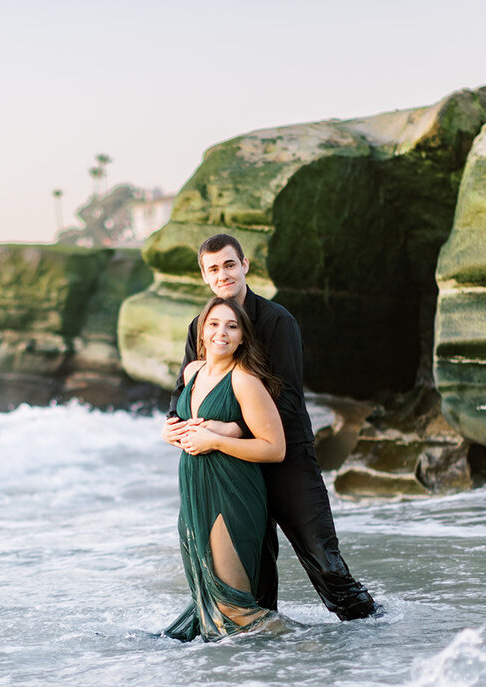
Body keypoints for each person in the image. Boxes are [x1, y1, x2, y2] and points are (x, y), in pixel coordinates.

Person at [162, 233, 379, 621]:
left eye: (229, 264)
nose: (223, 274)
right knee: (255, 578)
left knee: (324, 562)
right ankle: (267, 666)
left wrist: (231, 430)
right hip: (233, 469)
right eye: (213, 269)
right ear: (204, 276)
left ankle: (372, 637)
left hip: (286, 459)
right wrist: (172, 427)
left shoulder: (279, 321)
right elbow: (187, 386)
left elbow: (290, 399)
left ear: (244, 266)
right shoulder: (202, 324)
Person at [163, 296, 286, 642]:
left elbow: (275, 448)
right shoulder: (192, 371)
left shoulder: (245, 381)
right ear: (201, 332)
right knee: (210, 604)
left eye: (232, 326)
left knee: (234, 607)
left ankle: (308, 647)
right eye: (214, 324)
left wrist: (218, 440)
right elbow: (188, 425)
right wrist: (169, 430)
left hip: (231, 492)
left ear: (243, 336)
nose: (222, 332)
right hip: (193, 492)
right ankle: (229, 680)